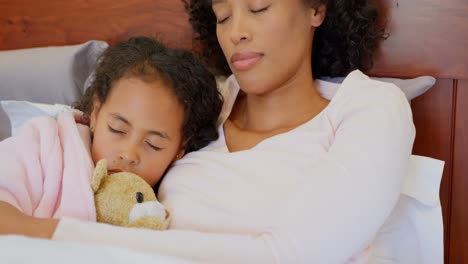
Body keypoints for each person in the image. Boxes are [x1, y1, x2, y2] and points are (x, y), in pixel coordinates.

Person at [0, 0, 415, 263]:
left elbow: (291, 256)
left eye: (258, 7)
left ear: (316, 9)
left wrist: (47, 234)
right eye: (222, 14)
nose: (235, 32)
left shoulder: (369, 109)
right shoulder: (192, 105)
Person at [0, 36, 222, 222]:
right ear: (96, 113)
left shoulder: (171, 200)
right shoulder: (43, 144)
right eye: (117, 129)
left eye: (154, 144)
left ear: (180, 148)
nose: (128, 154)